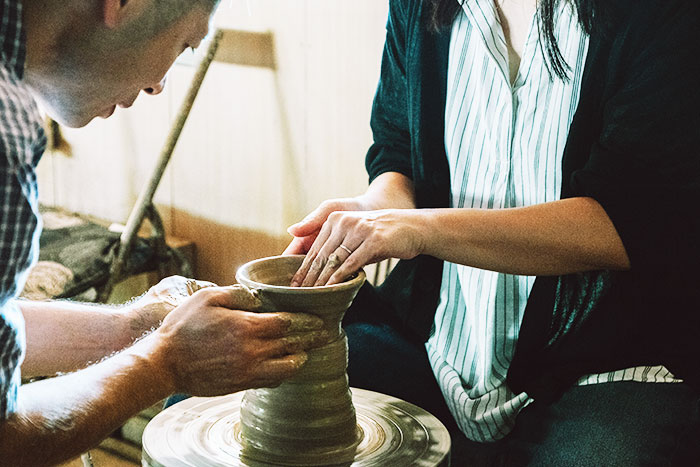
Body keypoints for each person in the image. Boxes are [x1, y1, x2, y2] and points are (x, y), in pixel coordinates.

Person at [286, 0, 700, 464]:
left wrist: (417, 229)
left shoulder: (662, 13)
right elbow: (397, 152)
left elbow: (630, 222)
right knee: (281, 398)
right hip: (437, 337)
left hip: (607, 359)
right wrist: (374, 212)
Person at [0, 1, 329, 465]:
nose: (158, 84)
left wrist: (134, 328)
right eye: (183, 43)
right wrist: (165, 362)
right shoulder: (5, 128)